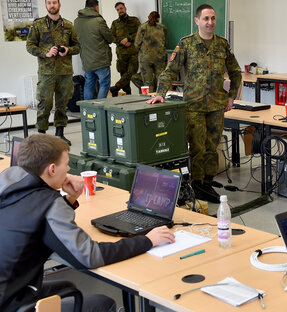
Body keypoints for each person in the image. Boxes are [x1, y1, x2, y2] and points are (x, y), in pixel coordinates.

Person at [0, 134, 175, 311]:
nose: (68, 170)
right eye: (66, 164)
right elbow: (90, 256)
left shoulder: (7, 185)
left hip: (9, 290)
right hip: (13, 303)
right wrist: (147, 240)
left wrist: (69, 199)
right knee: (102, 304)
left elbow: (32, 217)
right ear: (52, 169)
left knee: (67, 286)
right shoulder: (50, 204)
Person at [147, 4, 242, 205]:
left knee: (212, 146)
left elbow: (235, 72)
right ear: (197, 21)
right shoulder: (187, 44)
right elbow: (170, 71)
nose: (210, 22)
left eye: (213, 18)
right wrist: (160, 94)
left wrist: (232, 96)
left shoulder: (223, 45)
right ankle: (197, 184)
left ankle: (207, 182)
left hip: (217, 105)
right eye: (206, 19)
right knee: (197, 147)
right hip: (194, 106)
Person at [26, 0, 79, 146]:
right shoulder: (38, 25)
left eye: (54, 2)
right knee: (45, 104)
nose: (52, 5)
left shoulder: (68, 25)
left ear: (59, 4)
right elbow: (29, 46)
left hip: (65, 72)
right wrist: (46, 53)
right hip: (46, 72)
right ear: (46, 6)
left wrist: (68, 50)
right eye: (49, 3)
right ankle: (41, 136)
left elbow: (78, 46)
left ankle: (60, 134)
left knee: (63, 104)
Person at [74, 0, 113, 100]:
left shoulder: (77, 21)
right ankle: (99, 109)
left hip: (87, 60)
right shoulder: (98, 20)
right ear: (96, 6)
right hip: (101, 60)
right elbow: (110, 38)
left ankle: (88, 110)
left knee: (89, 84)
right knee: (104, 83)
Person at [109, 2, 140, 97]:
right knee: (123, 74)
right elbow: (111, 37)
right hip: (121, 53)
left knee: (132, 72)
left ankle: (116, 87)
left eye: (121, 8)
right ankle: (128, 94)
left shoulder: (134, 20)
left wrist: (129, 39)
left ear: (125, 8)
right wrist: (120, 41)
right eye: (118, 10)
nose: (120, 11)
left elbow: (140, 33)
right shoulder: (115, 23)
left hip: (133, 51)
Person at [135, 11, 167, 93]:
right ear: (158, 18)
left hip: (145, 58)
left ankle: (149, 100)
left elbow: (137, 44)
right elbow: (165, 43)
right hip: (159, 57)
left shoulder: (142, 27)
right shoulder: (163, 27)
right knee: (160, 81)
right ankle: (160, 99)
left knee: (147, 82)